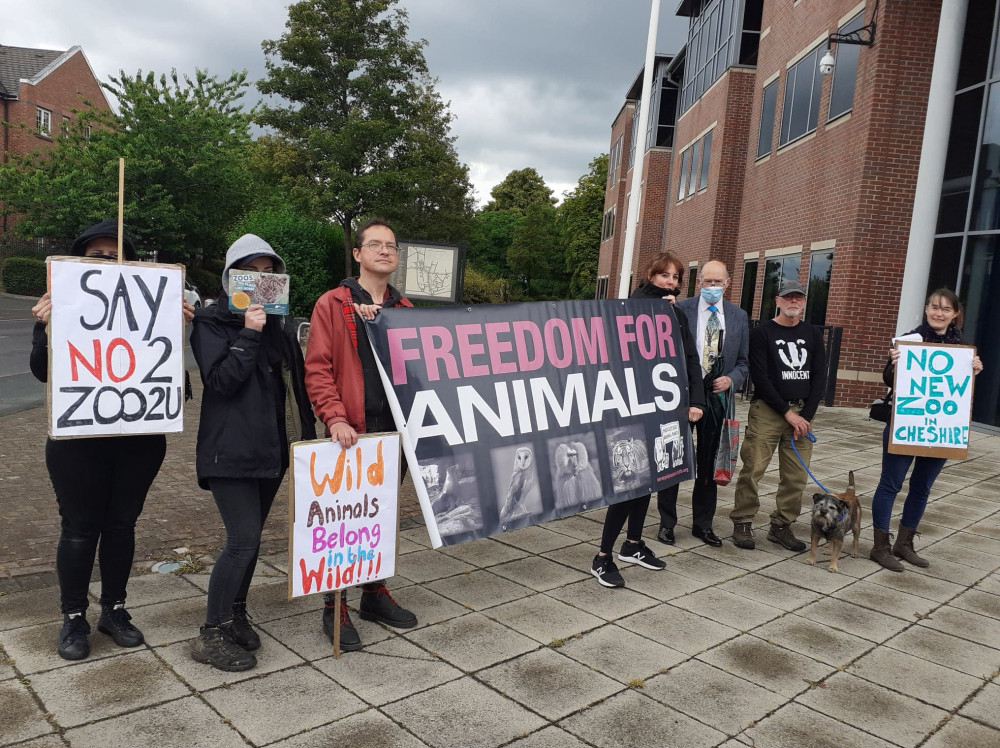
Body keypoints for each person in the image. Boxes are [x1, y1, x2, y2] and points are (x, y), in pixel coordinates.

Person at [29, 219, 194, 660]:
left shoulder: (152, 309)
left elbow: (172, 379)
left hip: (138, 438)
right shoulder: (60, 304)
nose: (106, 262)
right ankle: (72, 619)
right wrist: (46, 330)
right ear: (80, 261)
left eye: (115, 256)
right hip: (78, 440)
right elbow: (44, 373)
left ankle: (115, 610)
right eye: (97, 256)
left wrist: (177, 330)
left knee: (121, 526)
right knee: (80, 529)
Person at [190, 234, 316, 672]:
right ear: (231, 278)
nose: (261, 280)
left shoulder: (280, 327)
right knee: (241, 541)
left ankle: (235, 613)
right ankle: (210, 633)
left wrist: (305, 440)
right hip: (230, 450)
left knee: (253, 540)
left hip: (271, 450)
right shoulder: (210, 322)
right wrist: (248, 333)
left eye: (269, 272)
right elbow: (221, 382)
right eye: (251, 272)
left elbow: (294, 388)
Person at [305, 218, 418, 650]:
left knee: (381, 515)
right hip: (351, 431)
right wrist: (334, 417)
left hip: (395, 432)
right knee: (344, 521)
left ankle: (373, 594)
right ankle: (336, 606)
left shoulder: (404, 310)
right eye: (375, 244)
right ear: (357, 254)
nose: (385, 251)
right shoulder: (332, 304)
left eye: (391, 245)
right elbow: (317, 367)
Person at [591, 253, 705, 587]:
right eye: (665, 275)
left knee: (653, 476)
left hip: (666, 407)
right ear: (650, 275)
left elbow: (689, 358)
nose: (671, 282)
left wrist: (696, 400)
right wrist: (658, 307)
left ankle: (634, 543)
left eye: (676, 277)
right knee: (630, 481)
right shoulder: (635, 305)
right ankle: (602, 557)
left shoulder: (676, 311)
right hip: (632, 408)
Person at [869, 289, 984, 571]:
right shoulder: (909, 341)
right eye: (934, 307)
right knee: (890, 484)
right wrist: (894, 363)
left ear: (955, 314)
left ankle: (904, 543)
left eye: (945, 309)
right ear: (926, 309)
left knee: (922, 488)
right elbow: (888, 379)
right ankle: (880, 546)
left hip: (940, 428)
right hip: (906, 424)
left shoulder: (963, 350)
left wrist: (974, 371)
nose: (938, 313)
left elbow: (957, 394)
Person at [730, 279, 826, 551]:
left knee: (796, 476)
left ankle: (782, 525)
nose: (794, 302)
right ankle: (743, 520)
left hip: (802, 412)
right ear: (778, 301)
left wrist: (805, 415)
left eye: (799, 298)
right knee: (754, 468)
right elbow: (760, 377)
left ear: (804, 302)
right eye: (788, 298)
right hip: (769, 412)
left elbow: (820, 375)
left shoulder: (812, 334)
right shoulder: (762, 333)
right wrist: (787, 413)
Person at [661, 260, 749, 547]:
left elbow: (745, 362)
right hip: (683, 394)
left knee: (710, 461)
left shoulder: (738, 316)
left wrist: (732, 380)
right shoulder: (680, 308)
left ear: (728, 282)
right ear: (698, 282)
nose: (712, 287)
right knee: (673, 458)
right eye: (707, 282)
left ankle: (703, 523)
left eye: (717, 282)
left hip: (717, 396)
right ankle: (667, 523)